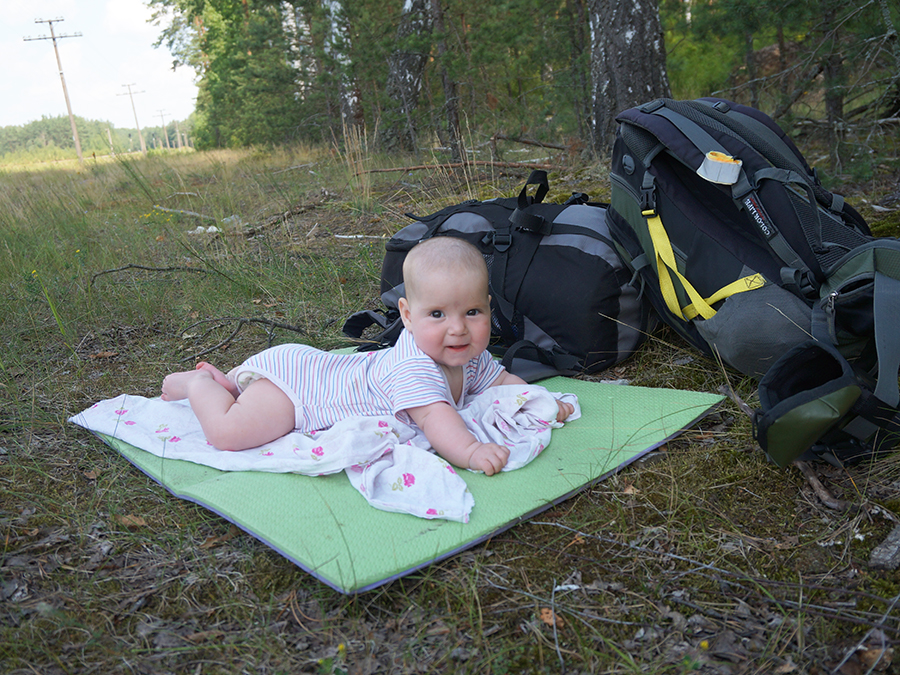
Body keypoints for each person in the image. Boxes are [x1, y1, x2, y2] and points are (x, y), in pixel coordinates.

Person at [161, 237, 575, 475]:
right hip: (301, 392)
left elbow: (503, 384)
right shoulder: (415, 366)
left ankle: (225, 383)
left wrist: (538, 403)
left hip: (318, 368)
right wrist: (469, 452)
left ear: (488, 308)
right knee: (230, 435)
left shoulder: (468, 356)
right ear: (407, 317)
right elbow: (436, 419)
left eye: (472, 312)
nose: (458, 328)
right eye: (437, 314)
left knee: (242, 395)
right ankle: (199, 385)